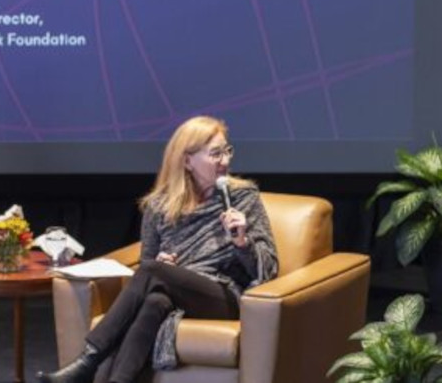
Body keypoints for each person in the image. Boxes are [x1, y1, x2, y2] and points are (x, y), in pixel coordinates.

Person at [39, 116, 278, 383]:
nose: (225, 161)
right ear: (187, 161)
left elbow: (268, 270)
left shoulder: (244, 198)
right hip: (174, 292)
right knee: (155, 301)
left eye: (227, 151)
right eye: (215, 154)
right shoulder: (159, 206)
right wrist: (163, 264)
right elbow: (149, 264)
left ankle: (88, 361)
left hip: (224, 295)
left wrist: (243, 243)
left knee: (153, 272)